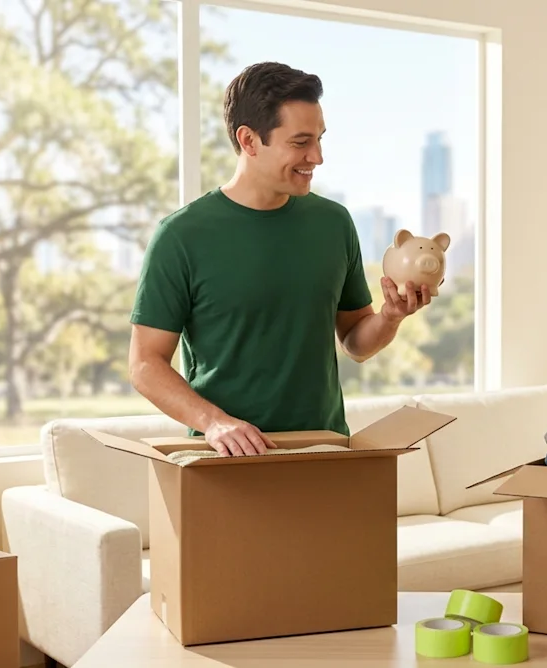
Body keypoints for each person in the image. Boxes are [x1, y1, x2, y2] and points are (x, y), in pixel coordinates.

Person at [127, 62, 432, 457]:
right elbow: (145, 364)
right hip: (226, 461)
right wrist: (213, 422)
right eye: (300, 142)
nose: (317, 157)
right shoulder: (181, 236)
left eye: (320, 139)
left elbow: (356, 342)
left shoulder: (334, 223)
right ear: (250, 140)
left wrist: (391, 317)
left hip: (324, 451)